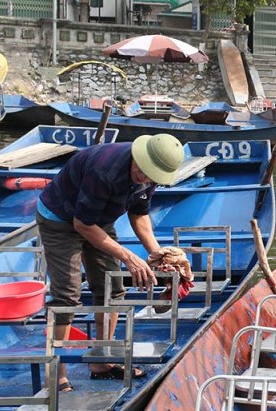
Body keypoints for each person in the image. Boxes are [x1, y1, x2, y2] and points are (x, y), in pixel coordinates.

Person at [36, 133, 185, 392]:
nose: (145, 177)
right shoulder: (104, 170)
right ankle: (56, 374)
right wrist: (128, 257)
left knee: (112, 288)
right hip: (59, 218)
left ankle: (101, 361)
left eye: (152, 176)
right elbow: (81, 225)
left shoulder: (151, 175)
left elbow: (139, 215)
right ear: (138, 155)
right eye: (143, 170)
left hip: (98, 221)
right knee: (66, 296)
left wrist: (157, 255)